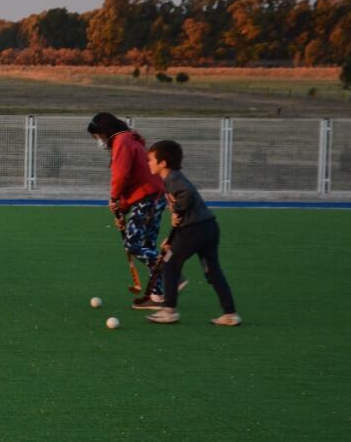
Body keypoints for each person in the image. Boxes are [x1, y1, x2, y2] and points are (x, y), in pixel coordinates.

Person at [144, 140, 241, 326]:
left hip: (194, 230)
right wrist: (172, 235)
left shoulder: (173, 179)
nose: (149, 163)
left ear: (163, 163)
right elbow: (183, 210)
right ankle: (230, 313)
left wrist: (178, 210)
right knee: (213, 272)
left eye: (151, 160)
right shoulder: (174, 178)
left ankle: (168, 310)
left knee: (169, 264)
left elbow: (186, 196)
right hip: (209, 228)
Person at [87, 112, 168, 304]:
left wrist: (114, 199)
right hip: (153, 196)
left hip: (147, 197)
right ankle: (157, 295)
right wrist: (121, 208)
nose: (98, 141)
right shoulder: (129, 139)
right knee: (147, 245)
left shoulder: (122, 142)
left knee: (133, 244)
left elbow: (120, 176)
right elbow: (132, 177)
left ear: (104, 132)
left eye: (97, 136)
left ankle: (171, 272)